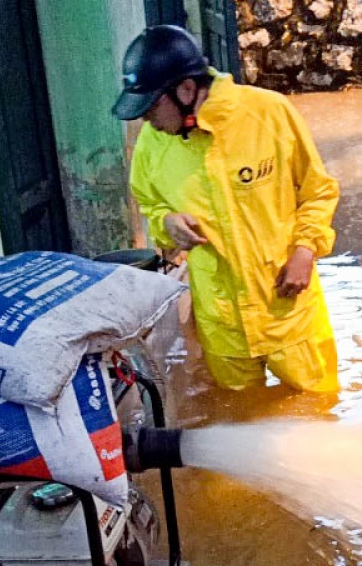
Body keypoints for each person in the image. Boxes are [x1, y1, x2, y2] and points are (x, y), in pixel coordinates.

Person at [113, 25, 341, 393]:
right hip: (222, 323)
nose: (146, 120)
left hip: (286, 308)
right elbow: (152, 207)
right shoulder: (152, 145)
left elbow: (319, 191)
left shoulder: (268, 114)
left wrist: (305, 250)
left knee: (317, 414)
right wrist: (167, 223)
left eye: (152, 106)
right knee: (243, 423)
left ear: (186, 90)